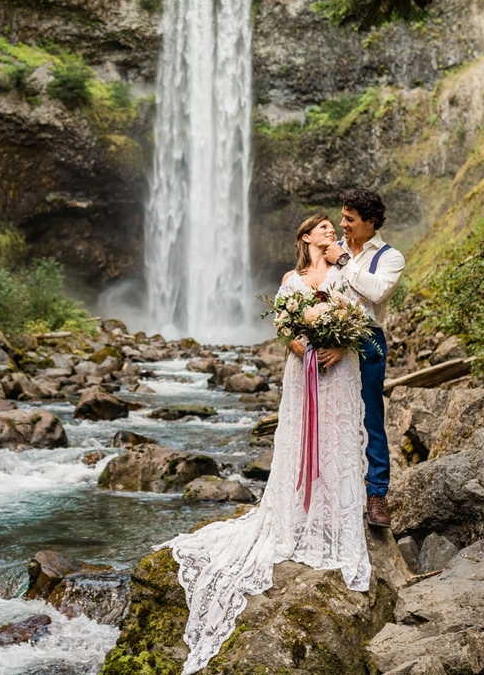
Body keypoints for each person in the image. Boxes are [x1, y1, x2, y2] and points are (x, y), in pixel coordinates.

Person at [158, 213, 372, 675]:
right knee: (299, 440)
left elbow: (358, 319)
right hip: (303, 374)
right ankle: (298, 516)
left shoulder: (343, 272)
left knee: (337, 439)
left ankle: (335, 519)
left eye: (334, 228)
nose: (331, 233)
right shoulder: (290, 279)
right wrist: (303, 346)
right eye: (323, 229)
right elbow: (284, 325)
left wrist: (338, 346)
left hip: (338, 373)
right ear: (305, 237)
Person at [323, 188, 405, 529]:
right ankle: (330, 490)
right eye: (342, 217)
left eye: (350, 220)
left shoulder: (390, 257)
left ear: (370, 223)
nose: (342, 224)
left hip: (369, 339)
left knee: (370, 416)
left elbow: (376, 292)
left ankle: (376, 495)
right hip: (328, 339)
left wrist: (342, 261)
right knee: (329, 414)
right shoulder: (330, 248)